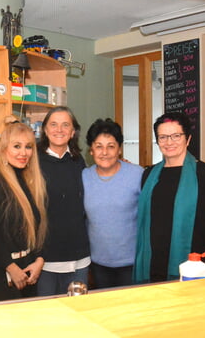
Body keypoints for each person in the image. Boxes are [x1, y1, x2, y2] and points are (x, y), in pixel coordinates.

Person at [134, 112, 205, 283]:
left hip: (194, 266)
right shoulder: (149, 175)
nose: (169, 142)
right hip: (152, 265)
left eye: (176, 136)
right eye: (163, 137)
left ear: (187, 139)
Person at [0, 119, 47, 301]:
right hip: (3, 273)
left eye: (28, 146)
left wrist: (39, 260)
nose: (23, 153)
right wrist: (10, 267)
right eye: (16, 146)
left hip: (30, 269)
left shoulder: (32, 183)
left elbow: (40, 228)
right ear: (3, 149)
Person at [82, 119, 143, 289]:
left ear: (119, 149)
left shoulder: (137, 175)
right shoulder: (83, 178)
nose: (105, 152)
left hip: (131, 263)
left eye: (111, 146)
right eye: (99, 146)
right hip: (97, 263)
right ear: (91, 150)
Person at [36, 106, 90, 296]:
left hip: (78, 254)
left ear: (73, 131)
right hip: (44, 258)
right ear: (44, 129)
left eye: (65, 125)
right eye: (54, 124)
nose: (59, 130)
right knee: (47, 317)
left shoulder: (78, 161)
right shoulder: (33, 160)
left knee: (79, 316)